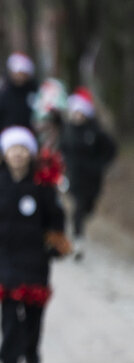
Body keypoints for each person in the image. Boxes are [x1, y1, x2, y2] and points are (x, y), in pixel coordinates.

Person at [0, 126, 70, 363]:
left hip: (35, 256)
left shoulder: (42, 186)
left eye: (23, 149)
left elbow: (56, 218)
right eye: (13, 149)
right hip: (3, 255)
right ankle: (9, 360)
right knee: (10, 308)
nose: (18, 154)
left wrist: (56, 240)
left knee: (34, 309)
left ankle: (31, 347)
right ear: (5, 153)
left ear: (31, 153)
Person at [59, 87, 117, 259]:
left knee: (88, 207)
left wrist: (101, 165)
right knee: (78, 206)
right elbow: (63, 150)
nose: (77, 116)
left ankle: (80, 225)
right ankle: (77, 240)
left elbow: (110, 149)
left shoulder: (95, 131)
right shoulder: (68, 131)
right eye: (75, 113)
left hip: (92, 178)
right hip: (74, 176)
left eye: (80, 113)